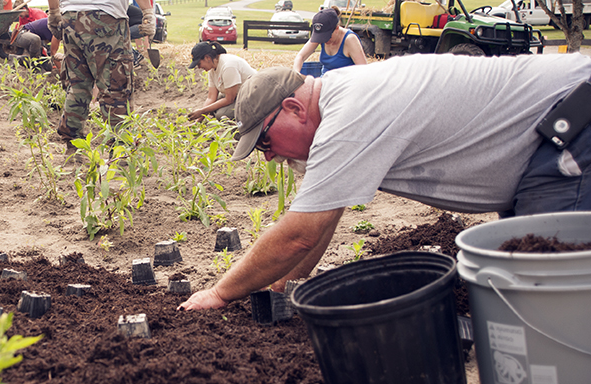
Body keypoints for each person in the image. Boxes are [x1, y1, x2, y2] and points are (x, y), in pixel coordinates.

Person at [179, 53, 591, 311]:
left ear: (292, 108)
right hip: (545, 135)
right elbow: (322, 219)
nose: (268, 154)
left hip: (571, 121)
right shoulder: (341, 97)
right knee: (525, 269)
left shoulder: (349, 118)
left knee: (548, 288)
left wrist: (220, 293)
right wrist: (283, 285)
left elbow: (299, 235)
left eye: (265, 139)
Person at [46, 0, 155, 152]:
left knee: (77, 85)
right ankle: (120, 149)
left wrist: (53, 11)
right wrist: (148, 12)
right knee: (116, 85)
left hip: (71, 18)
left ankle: (73, 146)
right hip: (107, 18)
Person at [187, 41, 256, 121]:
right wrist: (199, 120)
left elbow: (229, 99)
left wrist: (202, 111)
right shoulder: (212, 70)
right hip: (237, 95)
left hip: (251, 97)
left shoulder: (228, 66)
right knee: (213, 106)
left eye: (199, 64)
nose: (199, 67)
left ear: (207, 58)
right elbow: (211, 97)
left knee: (221, 114)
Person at [292, 7, 366, 75]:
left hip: (344, 84)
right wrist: (296, 74)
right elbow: (300, 56)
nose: (324, 40)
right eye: (321, 37)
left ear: (337, 29)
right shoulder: (320, 36)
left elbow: (364, 70)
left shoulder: (350, 40)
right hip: (325, 82)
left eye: (327, 37)